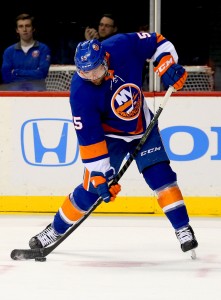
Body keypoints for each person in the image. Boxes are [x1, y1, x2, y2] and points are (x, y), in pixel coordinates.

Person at [29, 31, 198, 256]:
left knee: (161, 176)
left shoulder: (122, 45)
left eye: (96, 71)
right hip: (110, 139)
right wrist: (101, 176)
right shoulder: (80, 92)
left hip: (142, 128)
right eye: (85, 73)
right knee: (90, 191)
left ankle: (183, 228)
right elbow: (90, 137)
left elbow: (157, 42)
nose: (93, 77)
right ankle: (56, 229)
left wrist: (167, 65)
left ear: (105, 59)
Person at [1, 13, 51, 91]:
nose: (24, 29)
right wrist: (33, 73)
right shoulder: (9, 51)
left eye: (27, 26)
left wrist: (16, 72)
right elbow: (6, 76)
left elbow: (42, 73)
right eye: (21, 26)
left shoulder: (43, 49)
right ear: (17, 30)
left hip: (38, 94)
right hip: (15, 95)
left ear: (33, 29)